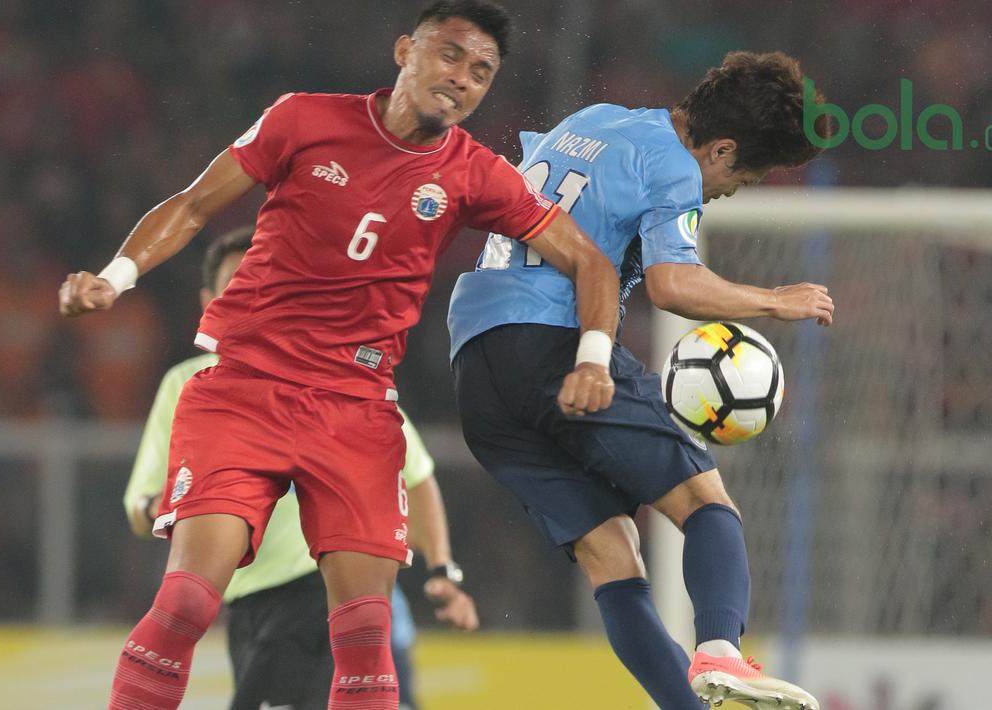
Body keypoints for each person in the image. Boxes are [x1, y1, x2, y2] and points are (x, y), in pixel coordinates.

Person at [57, 1, 621, 708]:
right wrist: (114, 279)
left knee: (362, 640)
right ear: (402, 53)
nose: (462, 79)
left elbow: (590, 263)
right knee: (186, 606)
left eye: (481, 72)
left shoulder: (474, 173)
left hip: (354, 408)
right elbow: (196, 204)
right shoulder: (303, 119)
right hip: (244, 389)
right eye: (449, 55)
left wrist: (593, 358)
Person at [448, 51, 835, 710]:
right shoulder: (672, 165)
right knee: (707, 505)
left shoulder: (595, 120)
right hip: (553, 341)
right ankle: (719, 650)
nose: (736, 188)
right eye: (748, 173)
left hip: (474, 364)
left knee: (612, 554)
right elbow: (670, 283)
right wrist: (775, 300)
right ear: (719, 149)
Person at [122, 227, 477, 710]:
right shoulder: (187, 385)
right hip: (246, 601)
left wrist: (442, 571)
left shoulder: (338, 370)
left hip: (319, 591)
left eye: (264, 276)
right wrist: (161, 510)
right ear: (210, 299)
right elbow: (143, 500)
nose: (253, 289)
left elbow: (413, 475)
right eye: (236, 281)